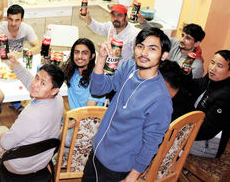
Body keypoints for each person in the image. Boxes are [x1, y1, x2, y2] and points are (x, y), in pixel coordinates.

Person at [82, 27, 172, 182]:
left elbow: (151, 144)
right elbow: (97, 89)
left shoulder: (160, 99)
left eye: (152, 49)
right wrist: (101, 59)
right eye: (140, 46)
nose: (144, 53)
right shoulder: (128, 67)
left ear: (164, 55)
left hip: (118, 167)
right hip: (98, 151)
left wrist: (133, 177)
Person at [0, 55, 64, 175]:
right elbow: (31, 83)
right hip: (42, 162)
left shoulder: (30, 115)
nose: (35, 84)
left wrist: (4, 136)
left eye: (43, 83)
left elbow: (6, 143)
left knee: (0, 129)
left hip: (18, 166)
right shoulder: (59, 99)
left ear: (54, 90)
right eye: (36, 78)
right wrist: (16, 65)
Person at [0, 4, 40, 119]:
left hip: (17, 60)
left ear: (22, 19)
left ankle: (16, 103)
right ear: (6, 18)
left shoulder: (26, 28)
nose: (13, 23)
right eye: (10, 19)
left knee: (22, 76)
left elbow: (38, 46)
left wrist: (21, 54)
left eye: (17, 20)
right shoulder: (0, 28)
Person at [182, 50, 230, 159]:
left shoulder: (226, 96)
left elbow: (206, 131)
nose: (213, 68)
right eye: (212, 62)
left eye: (219, 66)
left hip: (209, 144)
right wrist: (187, 74)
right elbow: (194, 87)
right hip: (194, 129)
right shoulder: (211, 79)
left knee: (166, 136)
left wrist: (179, 130)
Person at [140, 16, 205, 78]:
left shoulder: (196, 66)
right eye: (182, 35)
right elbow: (156, 35)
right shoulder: (174, 43)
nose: (182, 40)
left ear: (196, 43)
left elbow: (189, 87)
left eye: (188, 38)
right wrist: (143, 22)